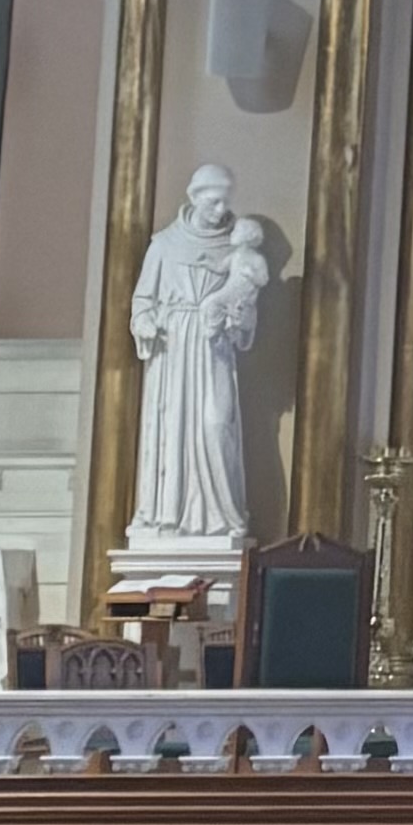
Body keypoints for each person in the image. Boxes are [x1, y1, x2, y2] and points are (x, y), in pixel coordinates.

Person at [122, 162, 268, 564]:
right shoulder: (165, 245)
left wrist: (238, 321)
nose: (221, 208)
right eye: (213, 199)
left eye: (226, 200)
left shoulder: (238, 250)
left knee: (216, 423)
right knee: (172, 429)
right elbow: (141, 301)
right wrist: (146, 321)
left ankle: (220, 516)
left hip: (213, 349)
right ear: (194, 197)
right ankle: (167, 515)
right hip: (173, 353)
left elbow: (247, 314)